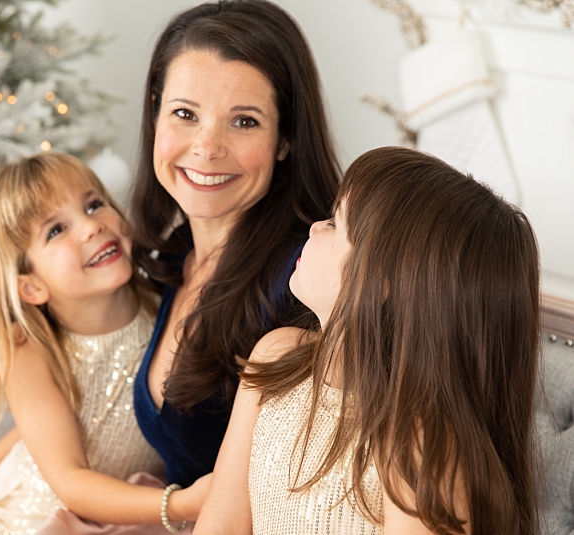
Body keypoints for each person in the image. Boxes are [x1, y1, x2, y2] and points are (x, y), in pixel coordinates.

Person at [196, 147, 540, 534]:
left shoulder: (420, 448)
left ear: (379, 282)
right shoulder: (277, 355)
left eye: (333, 223)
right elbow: (220, 522)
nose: (313, 228)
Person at [0, 153, 187, 535]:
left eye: (94, 204)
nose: (90, 227)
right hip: (27, 522)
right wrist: (187, 502)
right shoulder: (30, 350)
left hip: (126, 510)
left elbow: (65, 425)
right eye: (56, 230)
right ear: (30, 286)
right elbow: (69, 480)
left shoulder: (163, 300)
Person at [127, 0, 340, 514]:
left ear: (285, 138)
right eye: (184, 113)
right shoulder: (174, 251)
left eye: (243, 122)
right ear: (155, 110)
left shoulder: (302, 286)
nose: (206, 147)